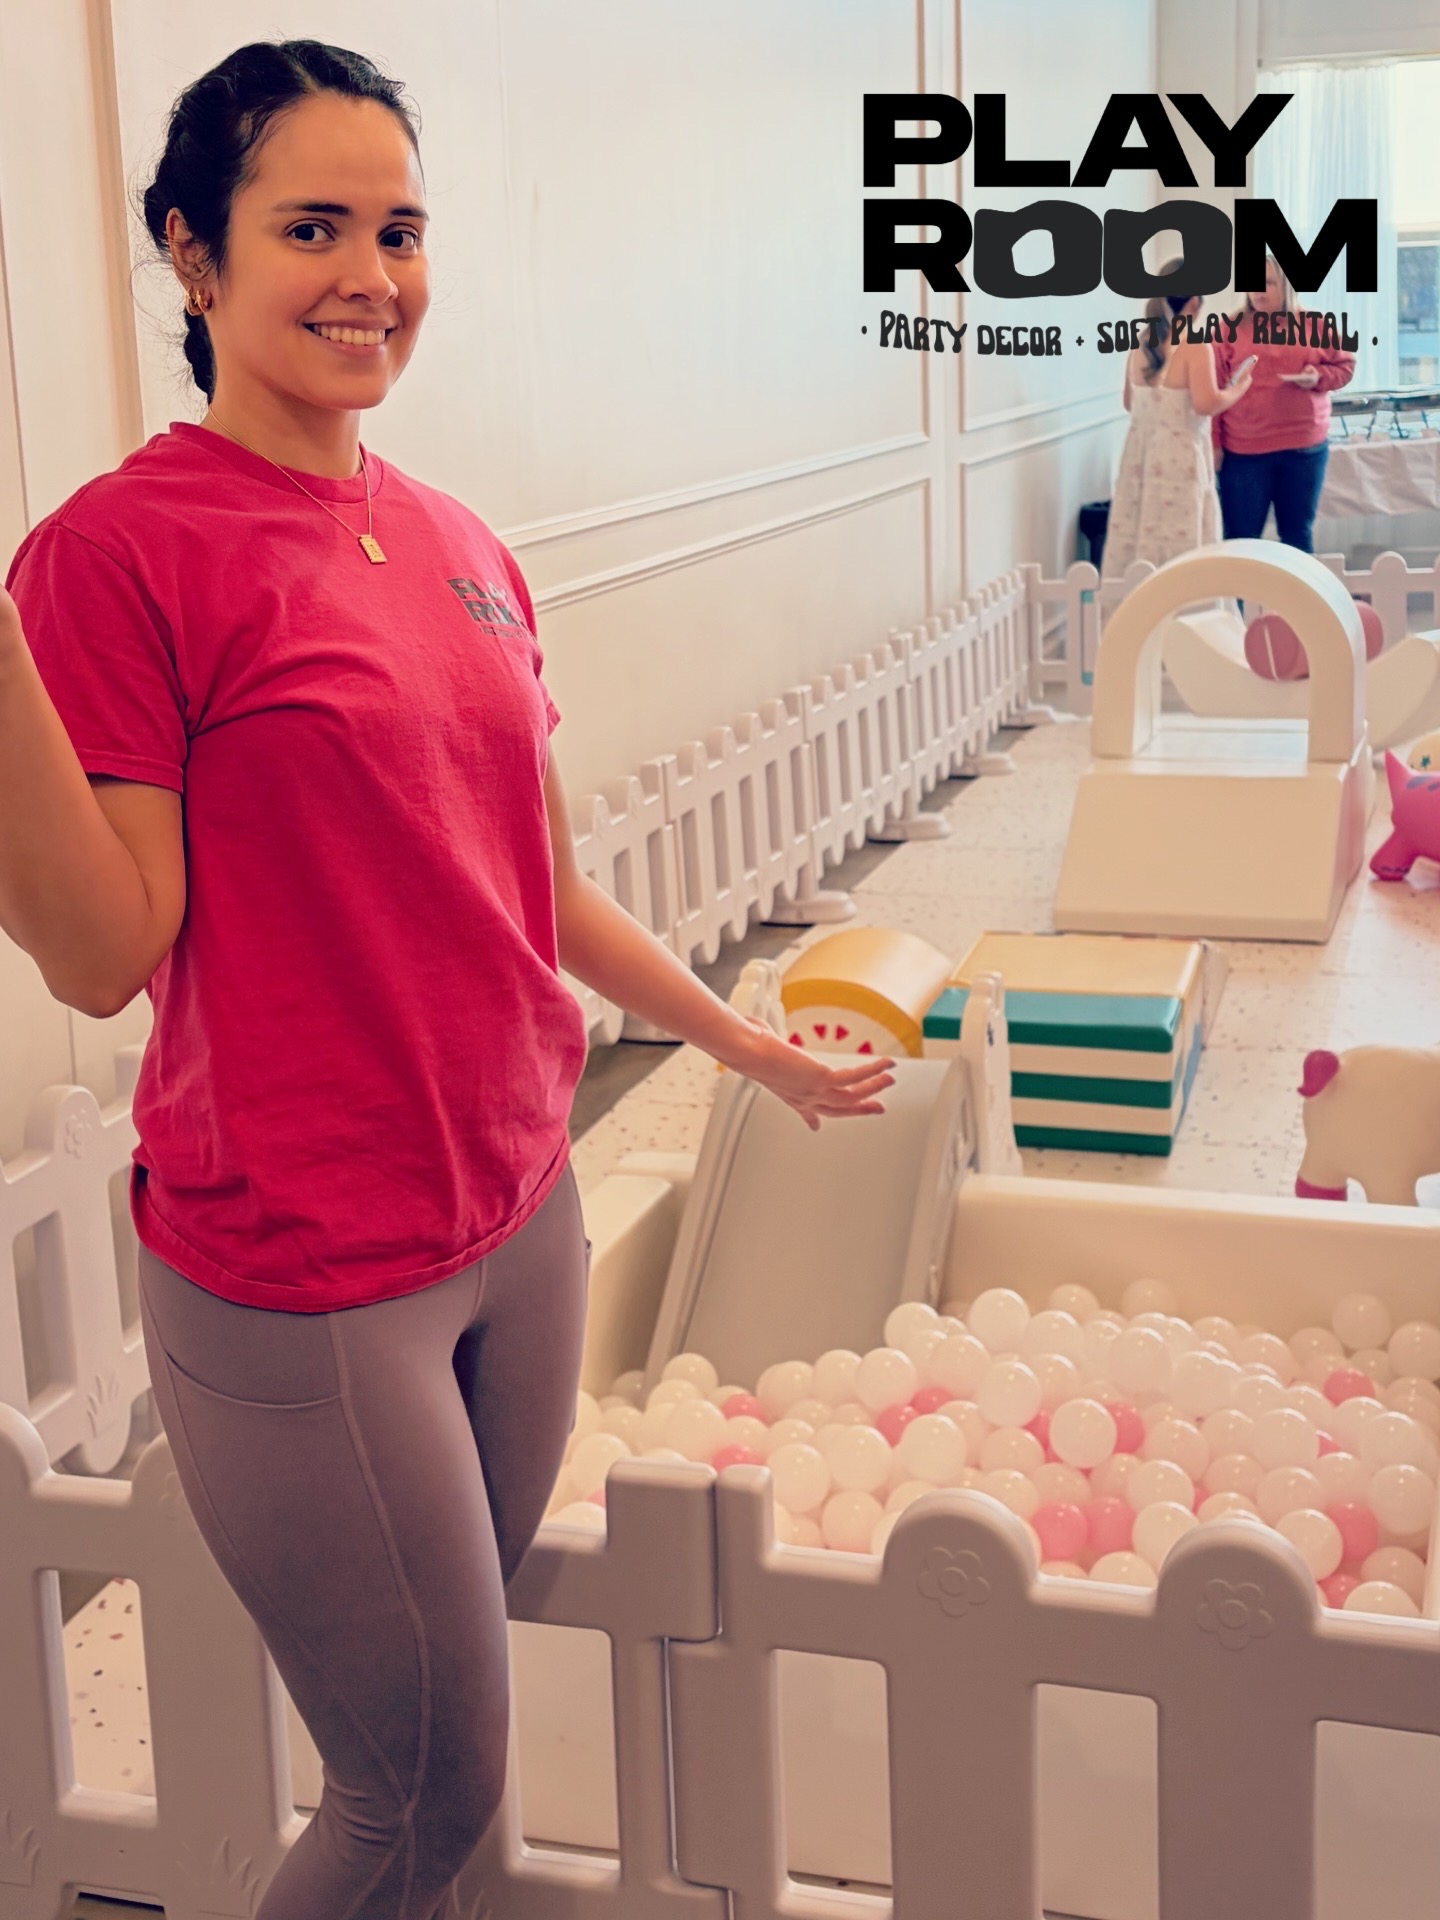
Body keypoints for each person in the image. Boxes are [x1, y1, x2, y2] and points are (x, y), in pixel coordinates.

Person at [0, 41, 894, 1920]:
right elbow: (100, 949)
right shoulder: (118, 555)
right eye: (310, 227)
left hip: (518, 1209)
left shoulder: (459, 540)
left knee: (444, 1774)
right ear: (192, 254)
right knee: (416, 1795)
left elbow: (535, 881)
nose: (370, 277)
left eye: (400, 231)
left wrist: (739, 1042)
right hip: (309, 1268)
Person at [1101, 267, 1252, 579]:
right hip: (1180, 457)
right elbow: (1205, 403)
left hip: (1140, 457)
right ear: (1194, 302)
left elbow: (1130, 402)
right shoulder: (1194, 346)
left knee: (1139, 528)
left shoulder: (1141, 343)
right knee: (1181, 534)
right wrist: (1237, 389)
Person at [1212, 253, 1356, 553]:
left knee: (1297, 536)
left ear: (1287, 285)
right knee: (1240, 538)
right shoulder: (1228, 329)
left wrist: (1317, 377)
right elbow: (1215, 390)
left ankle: (1296, 588)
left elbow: (1345, 367)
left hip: (1303, 448)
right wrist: (1214, 444)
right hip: (1244, 451)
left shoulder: (1317, 325)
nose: (1258, 291)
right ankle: (1241, 589)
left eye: (1268, 283)